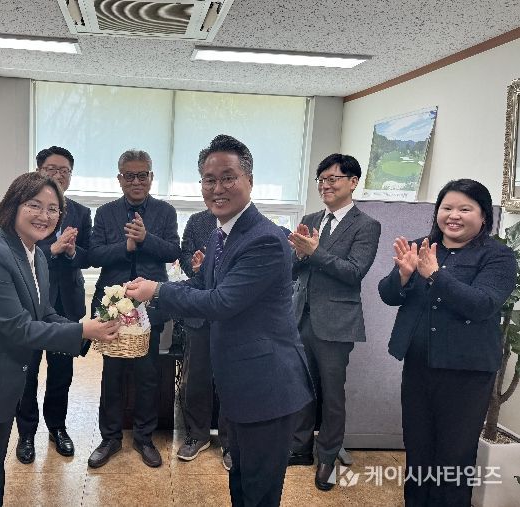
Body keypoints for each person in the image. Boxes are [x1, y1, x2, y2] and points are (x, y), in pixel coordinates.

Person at [126, 135, 313, 507]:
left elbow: (223, 301)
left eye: (228, 178)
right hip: (240, 381)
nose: (217, 188)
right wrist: (148, 297)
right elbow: (201, 285)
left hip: (267, 385)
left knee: (259, 490)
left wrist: (157, 291)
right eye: (209, 180)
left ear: (250, 181)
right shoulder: (220, 234)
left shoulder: (265, 239)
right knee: (242, 481)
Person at [0, 173, 119, 507]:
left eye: (52, 208)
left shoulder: (35, 255)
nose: (44, 215)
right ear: (13, 206)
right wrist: (83, 331)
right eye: (34, 205)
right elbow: (19, 328)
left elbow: (44, 313)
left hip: (0, 392)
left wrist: (86, 328)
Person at [378, 179, 515, 507]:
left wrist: (436, 276)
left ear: (483, 216)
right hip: (418, 366)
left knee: (454, 454)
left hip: (467, 372)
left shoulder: (498, 256)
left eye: (465, 209)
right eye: (447, 208)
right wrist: (403, 275)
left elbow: (482, 304)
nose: (453, 215)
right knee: (418, 447)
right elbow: (388, 294)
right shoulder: (421, 246)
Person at [287, 153, 381, 491]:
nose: (325, 185)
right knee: (300, 387)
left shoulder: (366, 225)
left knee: (331, 393)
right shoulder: (311, 218)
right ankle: (299, 448)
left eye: (333, 179)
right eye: (321, 180)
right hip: (301, 316)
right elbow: (294, 270)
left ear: (353, 182)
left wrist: (314, 252)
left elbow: (354, 272)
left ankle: (327, 456)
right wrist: (299, 255)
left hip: (337, 322)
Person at [87, 149, 181, 469]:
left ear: (151, 177)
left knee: (148, 374)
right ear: (120, 179)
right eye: (130, 176)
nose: (136, 181)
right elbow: (95, 255)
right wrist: (126, 247)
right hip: (112, 306)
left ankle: (144, 437)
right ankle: (110, 438)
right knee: (111, 375)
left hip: (149, 305)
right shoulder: (105, 213)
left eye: (142, 175)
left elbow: (173, 251)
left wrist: (145, 238)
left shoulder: (165, 212)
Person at [15, 146, 92, 463]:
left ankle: (57, 427)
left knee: (62, 373)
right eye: (51, 169)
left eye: (65, 170)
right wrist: (55, 249)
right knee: (28, 372)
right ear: (39, 172)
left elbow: (88, 256)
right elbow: (20, 256)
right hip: (31, 303)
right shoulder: (27, 210)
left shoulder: (81, 212)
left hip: (66, 304)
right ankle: (26, 434)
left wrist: (73, 252)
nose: (59, 175)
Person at [175, 208, 231, 469]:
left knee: (231, 381)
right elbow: (185, 256)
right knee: (196, 378)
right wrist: (197, 267)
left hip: (232, 315)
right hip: (199, 313)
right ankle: (197, 435)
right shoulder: (197, 221)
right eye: (209, 186)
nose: (216, 190)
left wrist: (213, 268)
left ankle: (230, 442)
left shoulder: (248, 225)